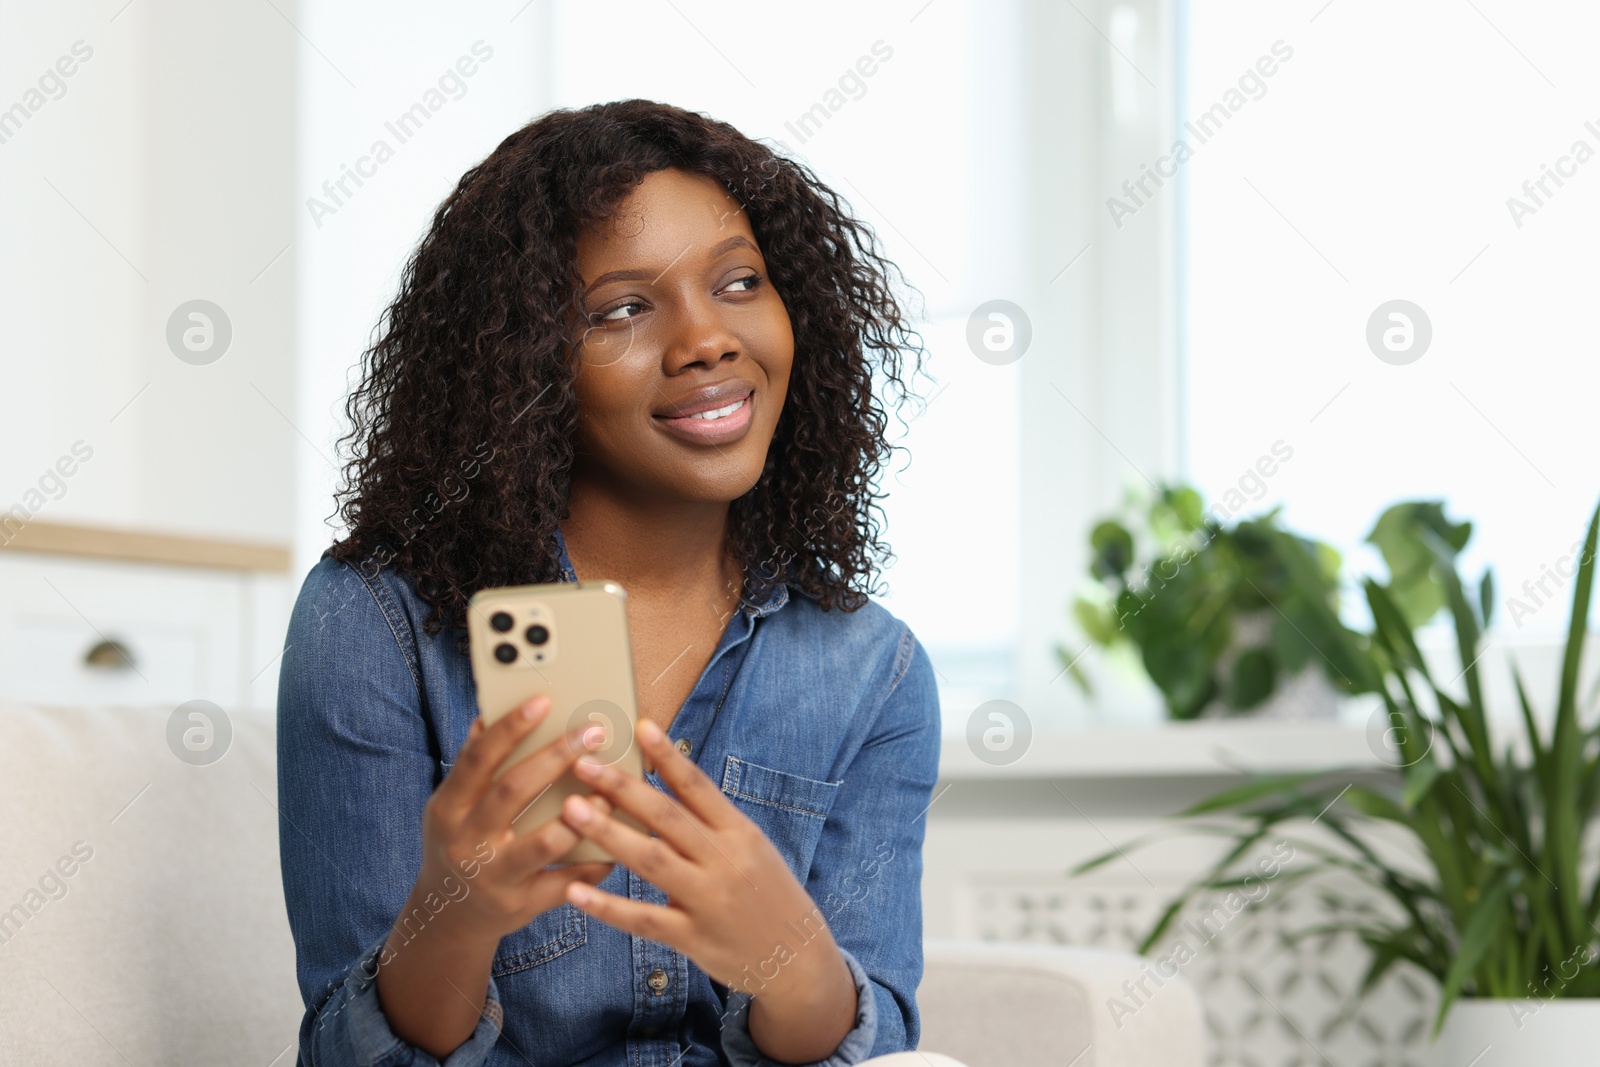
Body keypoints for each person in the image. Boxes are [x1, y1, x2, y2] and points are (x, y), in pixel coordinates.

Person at [276, 98, 941, 1067]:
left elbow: (868, 1037)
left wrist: (791, 959)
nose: (707, 339)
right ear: (521, 361)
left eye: (740, 281)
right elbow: (345, 1051)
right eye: (622, 308)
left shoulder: (872, 669)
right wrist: (453, 912)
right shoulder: (375, 623)